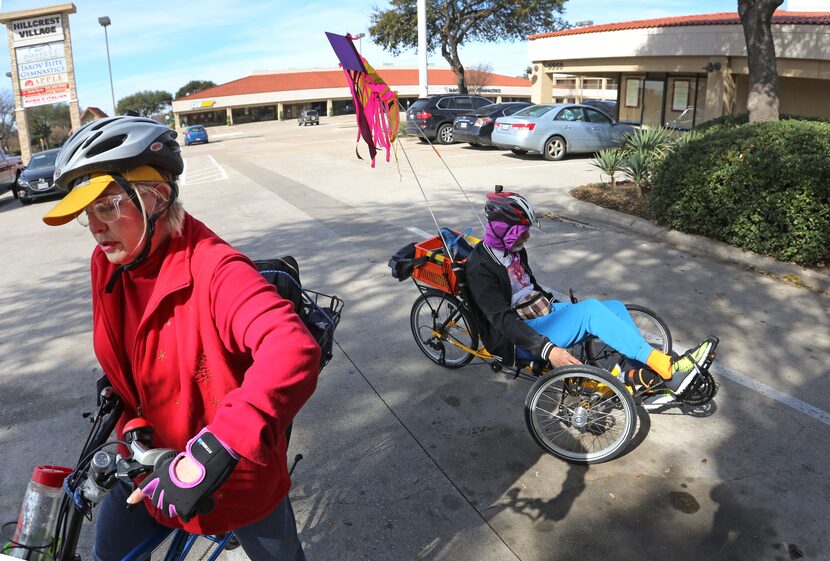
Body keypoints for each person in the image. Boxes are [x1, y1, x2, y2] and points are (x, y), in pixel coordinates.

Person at [42, 116, 321, 561]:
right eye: (87, 212)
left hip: (233, 477)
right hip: (146, 463)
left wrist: (219, 445)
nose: (96, 227)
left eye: (109, 205)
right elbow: (123, 353)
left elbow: (291, 348)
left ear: (157, 196)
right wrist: (125, 403)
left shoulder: (217, 268)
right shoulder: (107, 265)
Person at [464, 188, 718, 395]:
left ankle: (644, 375)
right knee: (590, 311)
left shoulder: (516, 251)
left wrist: (555, 304)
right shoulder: (480, 268)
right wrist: (548, 350)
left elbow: (530, 286)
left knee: (615, 307)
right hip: (517, 336)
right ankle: (667, 367)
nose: (528, 236)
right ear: (502, 229)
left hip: (541, 313)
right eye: (523, 230)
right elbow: (501, 321)